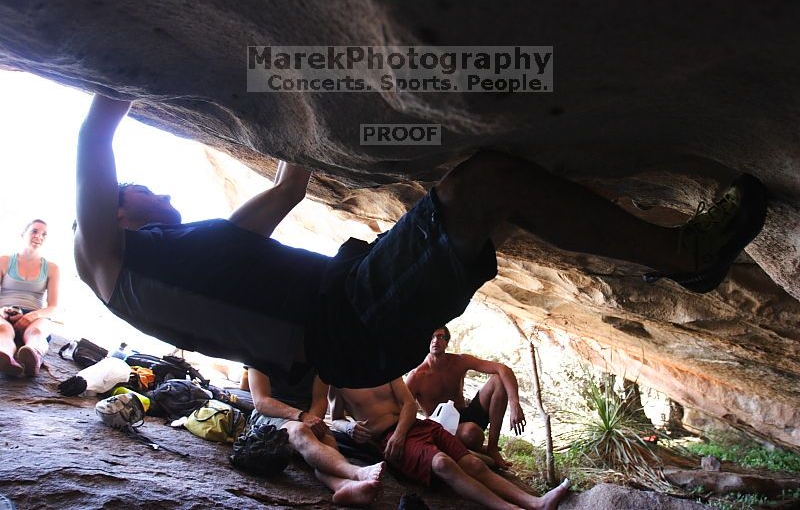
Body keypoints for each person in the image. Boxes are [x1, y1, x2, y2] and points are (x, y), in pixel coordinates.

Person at [74, 93, 767, 389]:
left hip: (353, 309)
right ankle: (685, 257)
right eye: (134, 187)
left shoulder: (202, 250)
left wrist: (295, 96)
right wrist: (133, 52)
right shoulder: (113, 268)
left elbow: (288, 187)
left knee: (487, 193)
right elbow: (93, 133)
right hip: (347, 325)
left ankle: (673, 255)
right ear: (116, 214)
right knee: (483, 183)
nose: (153, 187)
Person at [330, 378, 570, 509]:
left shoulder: (385, 367)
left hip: (415, 427)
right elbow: (336, 418)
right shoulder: (337, 379)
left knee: (474, 465)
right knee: (443, 463)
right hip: (387, 438)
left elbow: (409, 404)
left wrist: (402, 433)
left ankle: (536, 503)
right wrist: (349, 427)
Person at [248, 367, 385, 506]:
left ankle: (342, 486)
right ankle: (357, 473)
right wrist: (302, 417)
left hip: (308, 416)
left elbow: (319, 400)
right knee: (299, 430)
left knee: (327, 443)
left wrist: (313, 423)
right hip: (271, 414)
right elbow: (261, 401)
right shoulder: (260, 352)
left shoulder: (319, 358)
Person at [406, 326, 524, 468]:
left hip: (465, 414)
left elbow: (503, 369)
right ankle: (476, 448)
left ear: (447, 342)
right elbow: (404, 407)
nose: (435, 341)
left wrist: (515, 405)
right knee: (473, 434)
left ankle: (492, 448)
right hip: (441, 426)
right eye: (432, 337)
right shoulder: (416, 376)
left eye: (440, 337)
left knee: (498, 380)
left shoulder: (459, 361)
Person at [0, 219, 60, 377]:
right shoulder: (4, 261)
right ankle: (5, 357)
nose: (39, 236)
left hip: (35, 314)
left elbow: (53, 307)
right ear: (23, 234)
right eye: (34, 231)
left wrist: (32, 315)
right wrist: (2, 311)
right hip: (4, 313)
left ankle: (32, 354)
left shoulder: (52, 268)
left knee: (37, 331)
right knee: (3, 330)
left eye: (44, 235)